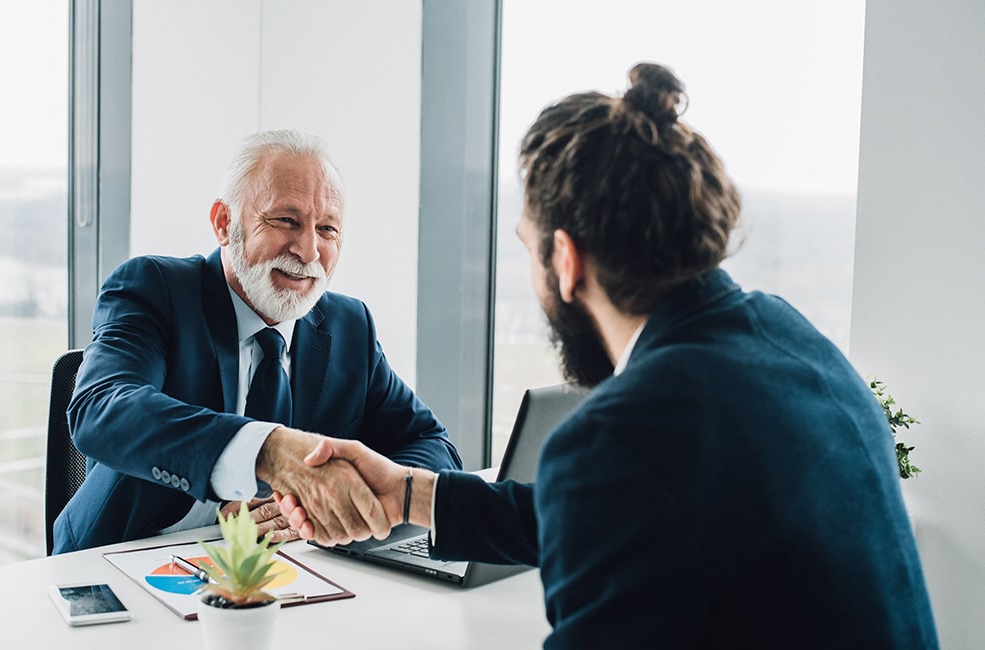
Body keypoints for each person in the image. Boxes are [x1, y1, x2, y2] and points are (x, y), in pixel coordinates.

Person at [278, 64, 939, 648]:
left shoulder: (620, 439)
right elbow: (614, 514)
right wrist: (407, 494)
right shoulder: (794, 340)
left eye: (528, 247)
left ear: (565, 260)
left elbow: (615, 496)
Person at [52, 128, 462, 554]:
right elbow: (100, 409)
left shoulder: (350, 326)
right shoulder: (156, 289)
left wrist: (338, 500)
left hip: (282, 567)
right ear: (224, 223)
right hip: (125, 557)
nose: (308, 251)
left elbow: (433, 446)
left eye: (327, 229)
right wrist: (268, 453)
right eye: (286, 220)